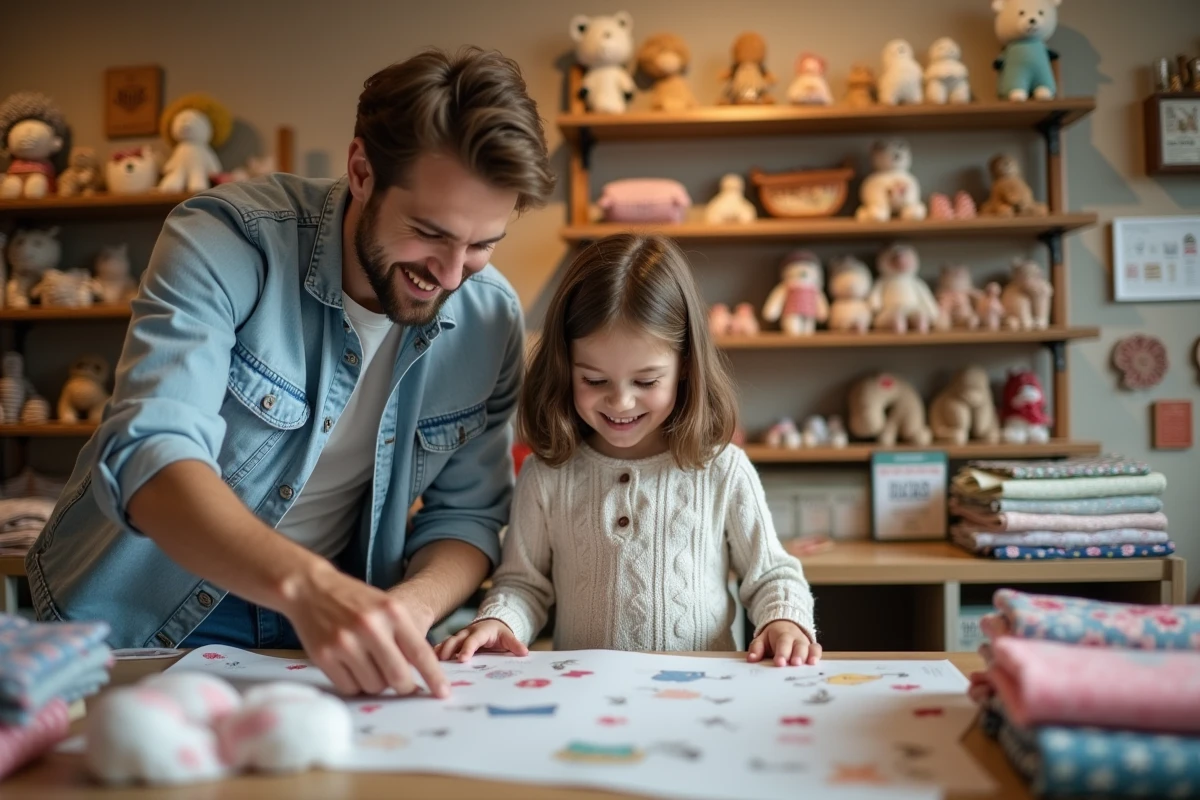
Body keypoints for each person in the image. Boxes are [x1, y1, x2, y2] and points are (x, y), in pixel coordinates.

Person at [25, 47, 555, 698]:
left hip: (323, 626)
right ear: (362, 170)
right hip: (136, 613)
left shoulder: (490, 315)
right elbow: (151, 458)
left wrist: (410, 608)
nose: (450, 275)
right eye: (429, 233)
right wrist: (310, 587)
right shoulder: (228, 239)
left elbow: (468, 517)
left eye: (481, 245)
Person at [436, 234, 821, 667]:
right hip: (586, 698)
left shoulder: (722, 468)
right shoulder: (548, 473)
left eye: (646, 381)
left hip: (701, 700)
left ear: (685, 368)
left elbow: (770, 574)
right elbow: (523, 585)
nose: (620, 403)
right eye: (595, 381)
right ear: (565, 368)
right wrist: (501, 621)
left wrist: (783, 621)